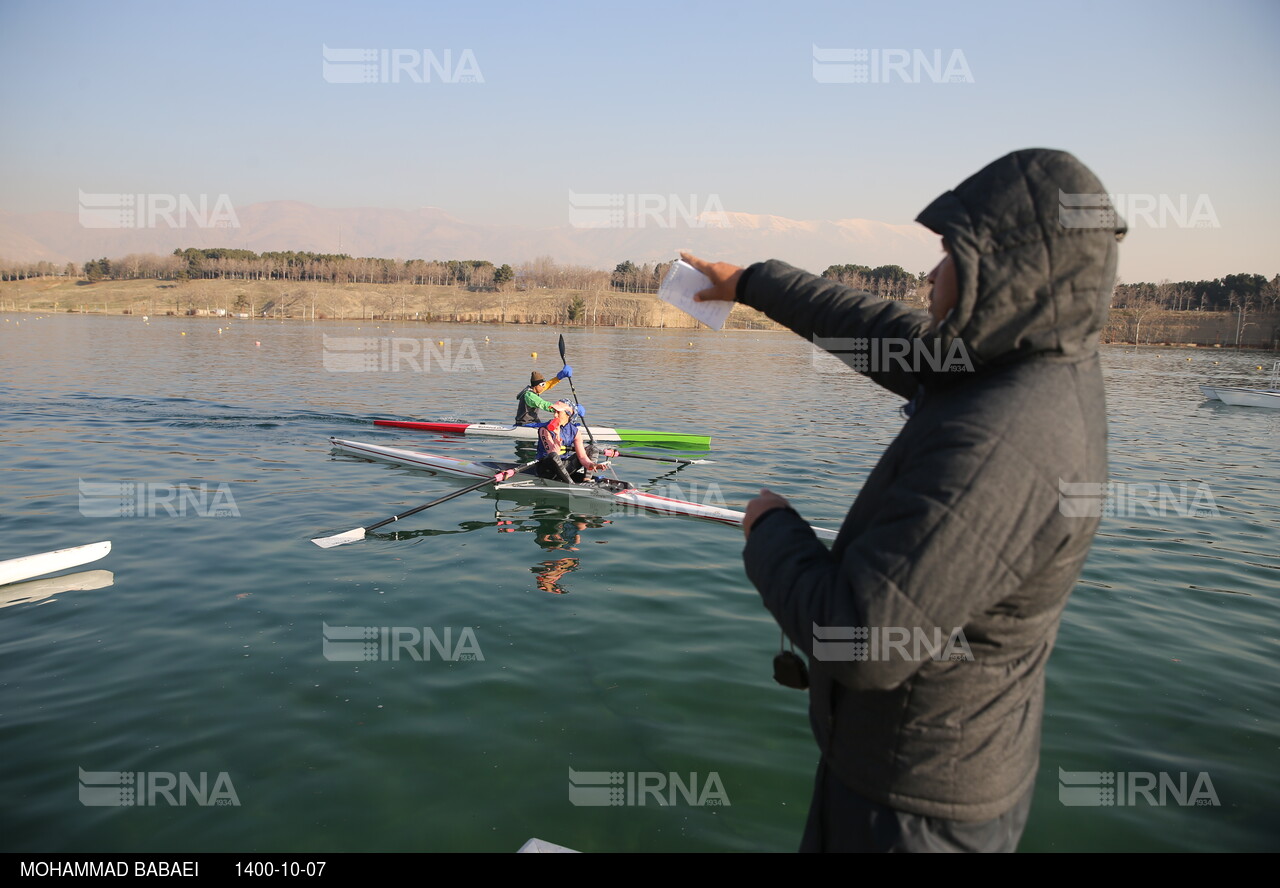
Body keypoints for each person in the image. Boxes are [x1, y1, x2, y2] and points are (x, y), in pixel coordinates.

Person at [684, 148, 1124, 853]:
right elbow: (882, 334)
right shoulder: (1018, 360)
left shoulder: (1005, 439)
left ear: (1006, 271)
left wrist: (772, 532)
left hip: (917, 815)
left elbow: (861, 639)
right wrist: (753, 283)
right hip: (910, 774)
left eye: (950, 253)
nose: (931, 273)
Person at [535, 400, 612, 484]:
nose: (555, 415)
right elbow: (553, 453)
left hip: (563, 468)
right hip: (546, 470)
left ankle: (587, 481)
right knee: (553, 456)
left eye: (558, 412)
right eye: (554, 412)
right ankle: (571, 485)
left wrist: (592, 464)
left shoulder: (575, 431)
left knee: (592, 449)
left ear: (568, 414)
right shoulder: (544, 429)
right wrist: (557, 436)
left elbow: (582, 457)